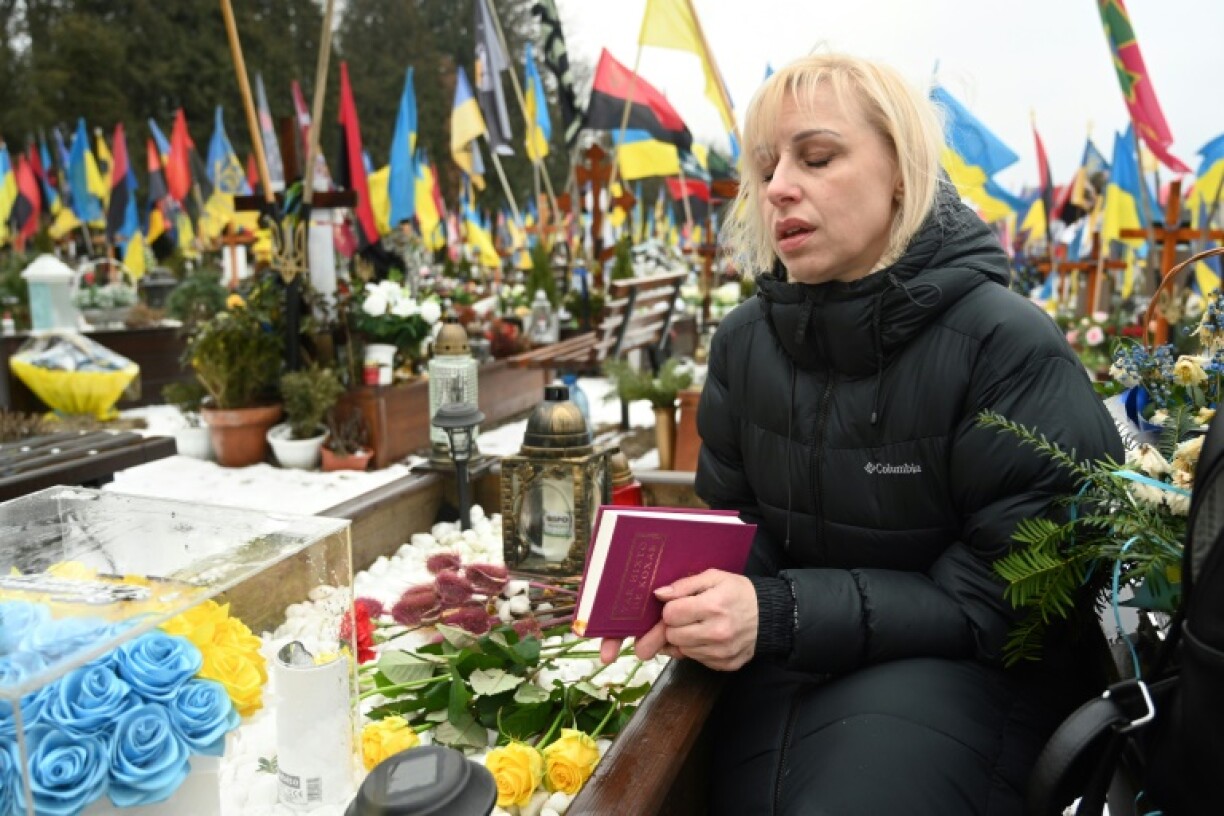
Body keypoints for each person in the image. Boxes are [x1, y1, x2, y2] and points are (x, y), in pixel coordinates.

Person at [599, 53, 1123, 814]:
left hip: (968, 677)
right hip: (786, 663)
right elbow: (745, 531)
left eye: (817, 157)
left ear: (903, 174)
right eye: (766, 165)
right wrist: (672, 594)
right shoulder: (745, 343)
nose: (778, 186)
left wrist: (777, 611)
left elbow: (1017, 600)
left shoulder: (1004, 343)